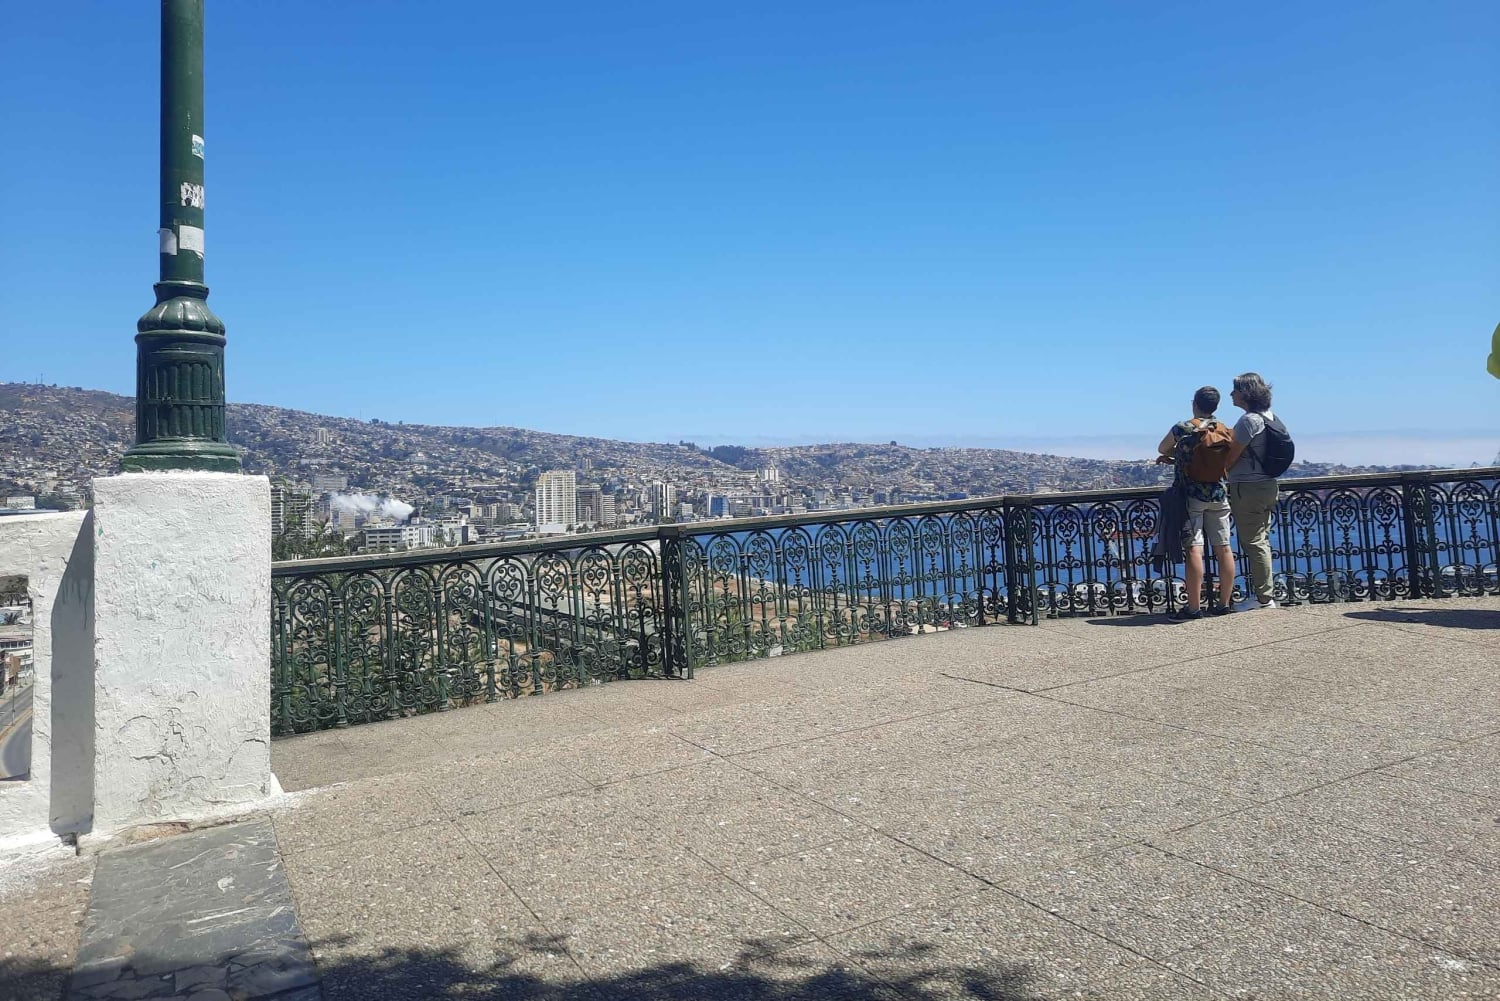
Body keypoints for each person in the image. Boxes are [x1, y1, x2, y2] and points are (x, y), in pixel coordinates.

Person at [1156, 386, 1236, 620]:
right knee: (1224, 548)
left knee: (1194, 548)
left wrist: (1175, 456)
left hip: (1191, 495)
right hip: (1219, 495)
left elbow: (1162, 448)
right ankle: (1223, 604)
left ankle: (1193, 608)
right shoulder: (1223, 429)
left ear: (1195, 404)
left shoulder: (1184, 427)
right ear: (1216, 406)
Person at [1225, 372, 1280, 610]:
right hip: (1267, 485)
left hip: (1248, 487)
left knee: (1254, 542)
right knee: (1261, 540)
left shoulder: (1249, 421)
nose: (1231, 394)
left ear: (1245, 394)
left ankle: (1264, 599)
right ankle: (1264, 594)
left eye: (1235, 390)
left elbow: (1231, 457)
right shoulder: (1270, 418)